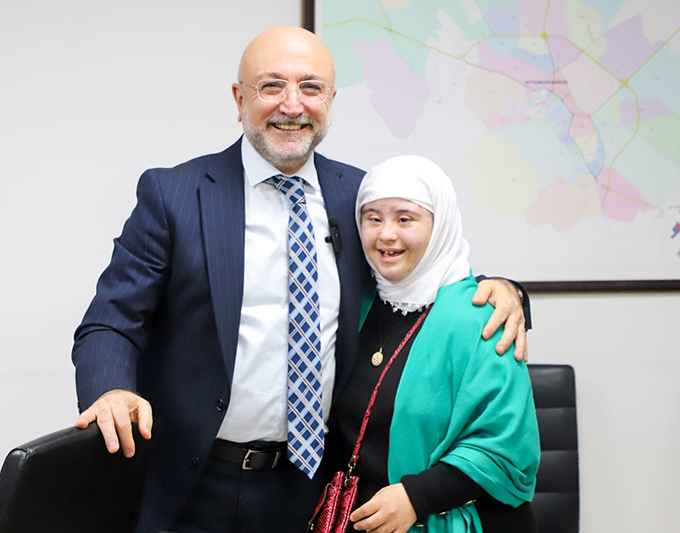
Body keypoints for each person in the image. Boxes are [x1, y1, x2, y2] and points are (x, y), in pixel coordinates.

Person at [71, 26, 530, 533]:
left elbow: (419, 269)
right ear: (239, 98)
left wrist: (508, 293)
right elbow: (111, 322)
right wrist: (110, 389)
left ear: (330, 100)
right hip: (191, 481)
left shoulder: (358, 197)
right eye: (271, 86)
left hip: (308, 489)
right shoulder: (175, 194)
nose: (292, 105)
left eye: (311, 87)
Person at [328, 155, 540, 533]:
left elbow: (506, 447)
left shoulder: (482, 314)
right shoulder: (355, 305)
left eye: (404, 219)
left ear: (439, 225)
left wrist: (417, 496)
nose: (386, 234)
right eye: (373, 218)